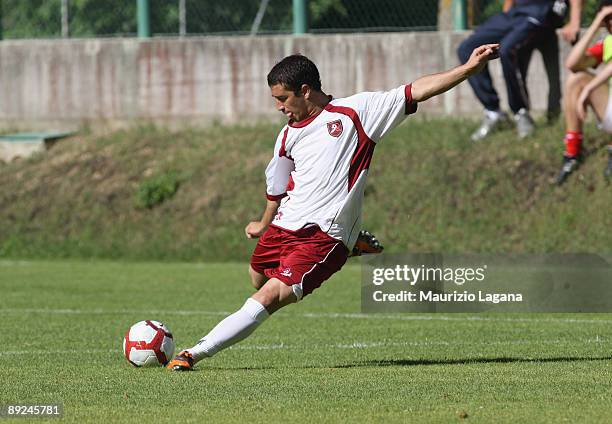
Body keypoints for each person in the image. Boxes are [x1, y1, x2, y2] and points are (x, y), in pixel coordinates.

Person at [166, 44, 501, 371]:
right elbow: (277, 187)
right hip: (284, 226)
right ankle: (354, 245)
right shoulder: (286, 135)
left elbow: (416, 91)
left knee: (268, 297)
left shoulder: (358, 112)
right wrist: (264, 224)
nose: (279, 107)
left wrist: (468, 69)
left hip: (323, 236)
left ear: (306, 91)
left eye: (283, 99)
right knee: (256, 279)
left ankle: (193, 353)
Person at [457, 0, 582, 141]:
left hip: (542, 12)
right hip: (515, 15)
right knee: (467, 49)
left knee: (507, 50)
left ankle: (521, 112)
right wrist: (506, 18)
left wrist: (574, 21)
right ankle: (493, 112)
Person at [555, 0, 612, 184]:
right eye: (608, 19)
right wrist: (596, 23)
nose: (611, 22)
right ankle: (572, 154)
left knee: (585, 84)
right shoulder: (608, 43)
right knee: (576, 79)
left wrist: (590, 88)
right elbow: (572, 63)